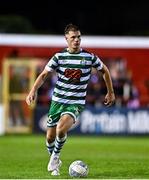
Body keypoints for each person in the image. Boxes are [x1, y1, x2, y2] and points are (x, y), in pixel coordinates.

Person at [26, 23, 115, 176]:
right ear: (66, 38)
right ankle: (55, 159)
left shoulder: (89, 57)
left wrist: (111, 92)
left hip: (76, 103)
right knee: (49, 137)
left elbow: (105, 70)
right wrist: (33, 90)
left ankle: (54, 157)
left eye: (79, 37)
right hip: (57, 101)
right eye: (73, 37)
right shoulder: (59, 57)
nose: (76, 40)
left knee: (61, 128)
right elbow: (43, 75)